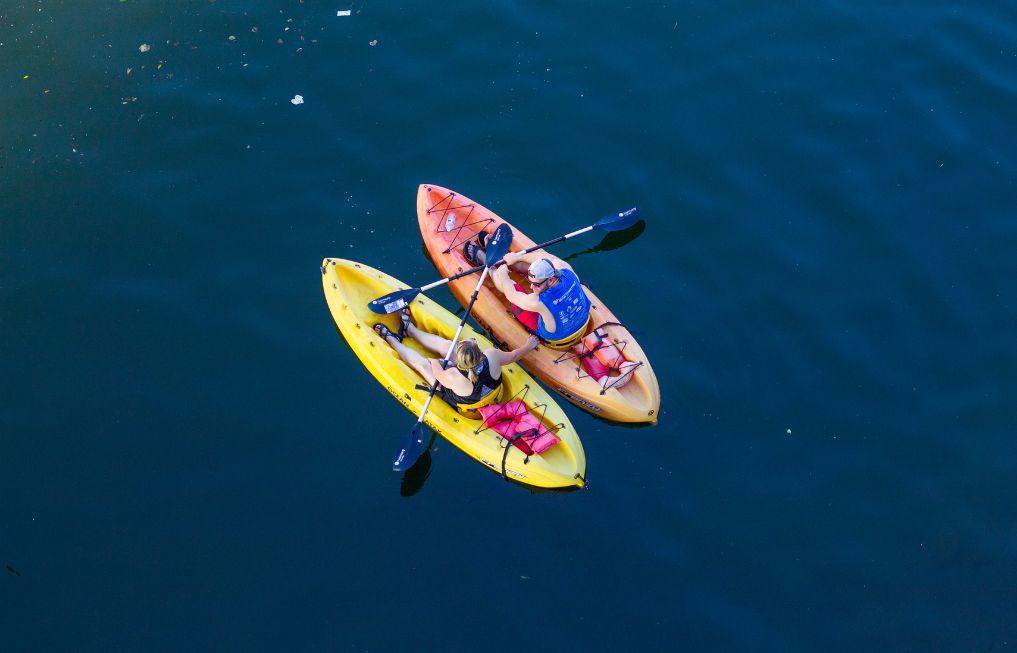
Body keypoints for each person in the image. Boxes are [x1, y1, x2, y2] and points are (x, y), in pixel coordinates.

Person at [373, 309, 539, 414]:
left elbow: (437, 372)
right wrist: (528, 346)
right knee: (447, 346)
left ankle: (392, 340)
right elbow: (513, 356)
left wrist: (434, 361)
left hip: (469, 404)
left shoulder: (453, 375)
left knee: (423, 365)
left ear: (458, 360)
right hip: (492, 390)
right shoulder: (492, 355)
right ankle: (411, 330)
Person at [488, 250, 592, 349]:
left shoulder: (537, 302)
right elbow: (547, 258)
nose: (531, 287)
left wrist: (502, 274)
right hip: (583, 323)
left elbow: (511, 295)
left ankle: (490, 267)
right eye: (531, 282)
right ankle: (510, 262)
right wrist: (517, 257)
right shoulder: (566, 269)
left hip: (557, 339)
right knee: (537, 274)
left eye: (536, 285)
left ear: (551, 279)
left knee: (514, 289)